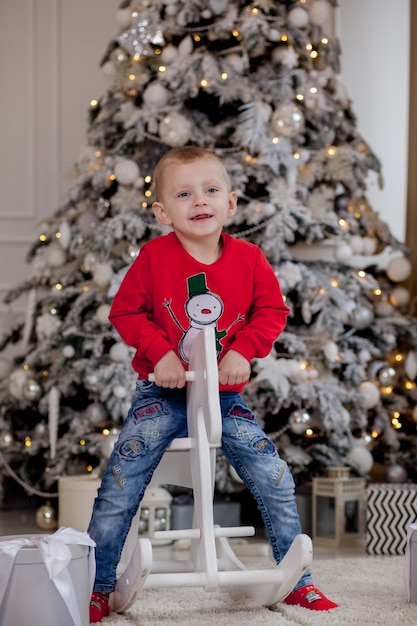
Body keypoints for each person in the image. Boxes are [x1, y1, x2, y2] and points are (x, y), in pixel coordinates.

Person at [87, 146, 338, 622]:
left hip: (224, 396)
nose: (199, 201)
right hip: (162, 394)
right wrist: (160, 353)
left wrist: (242, 351)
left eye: (210, 190)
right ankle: (98, 584)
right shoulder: (155, 257)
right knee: (122, 477)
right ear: (163, 211)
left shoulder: (249, 258)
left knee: (271, 472)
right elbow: (125, 312)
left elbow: (272, 311)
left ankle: (298, 581)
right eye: (184, 194)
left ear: (231, 203)